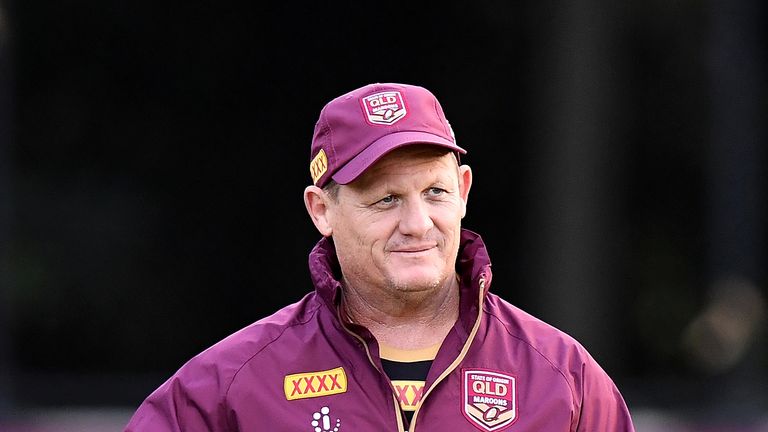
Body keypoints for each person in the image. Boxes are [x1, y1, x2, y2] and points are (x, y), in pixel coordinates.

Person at [124, 82, 636, 431]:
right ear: (321, 210)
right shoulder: (230, 385)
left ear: (463, 192)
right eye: (385, 199)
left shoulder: (562, 377)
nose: (417, 224)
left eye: (434, 193)